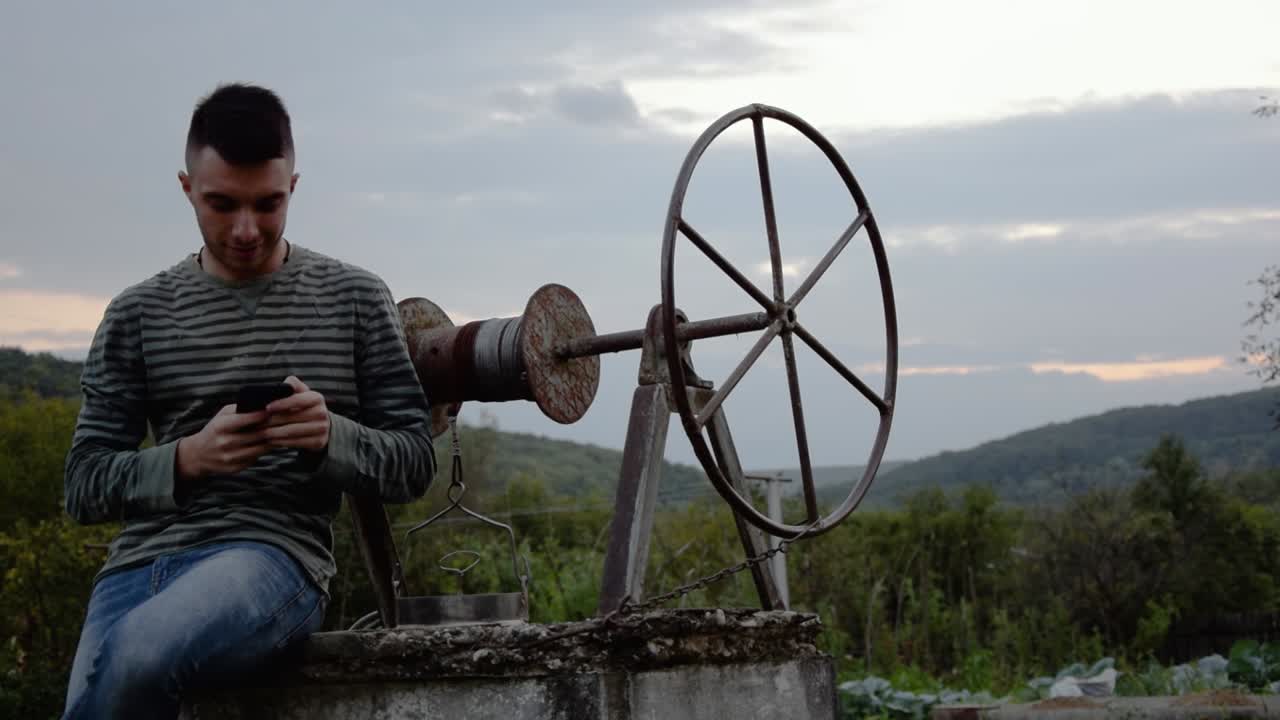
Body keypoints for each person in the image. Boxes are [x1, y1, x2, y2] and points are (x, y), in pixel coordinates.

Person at [61, 83, 436, 718]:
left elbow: (413, 461)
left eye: (268, 204)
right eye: (220, 204)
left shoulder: (355, 298)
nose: (245, 230)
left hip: (272, 556)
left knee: (137, 656)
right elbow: (83, 485)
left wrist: (330, 439)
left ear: (294, 184)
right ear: (186, 188)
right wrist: (187, 460)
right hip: (136, 570)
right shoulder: (136, 313)